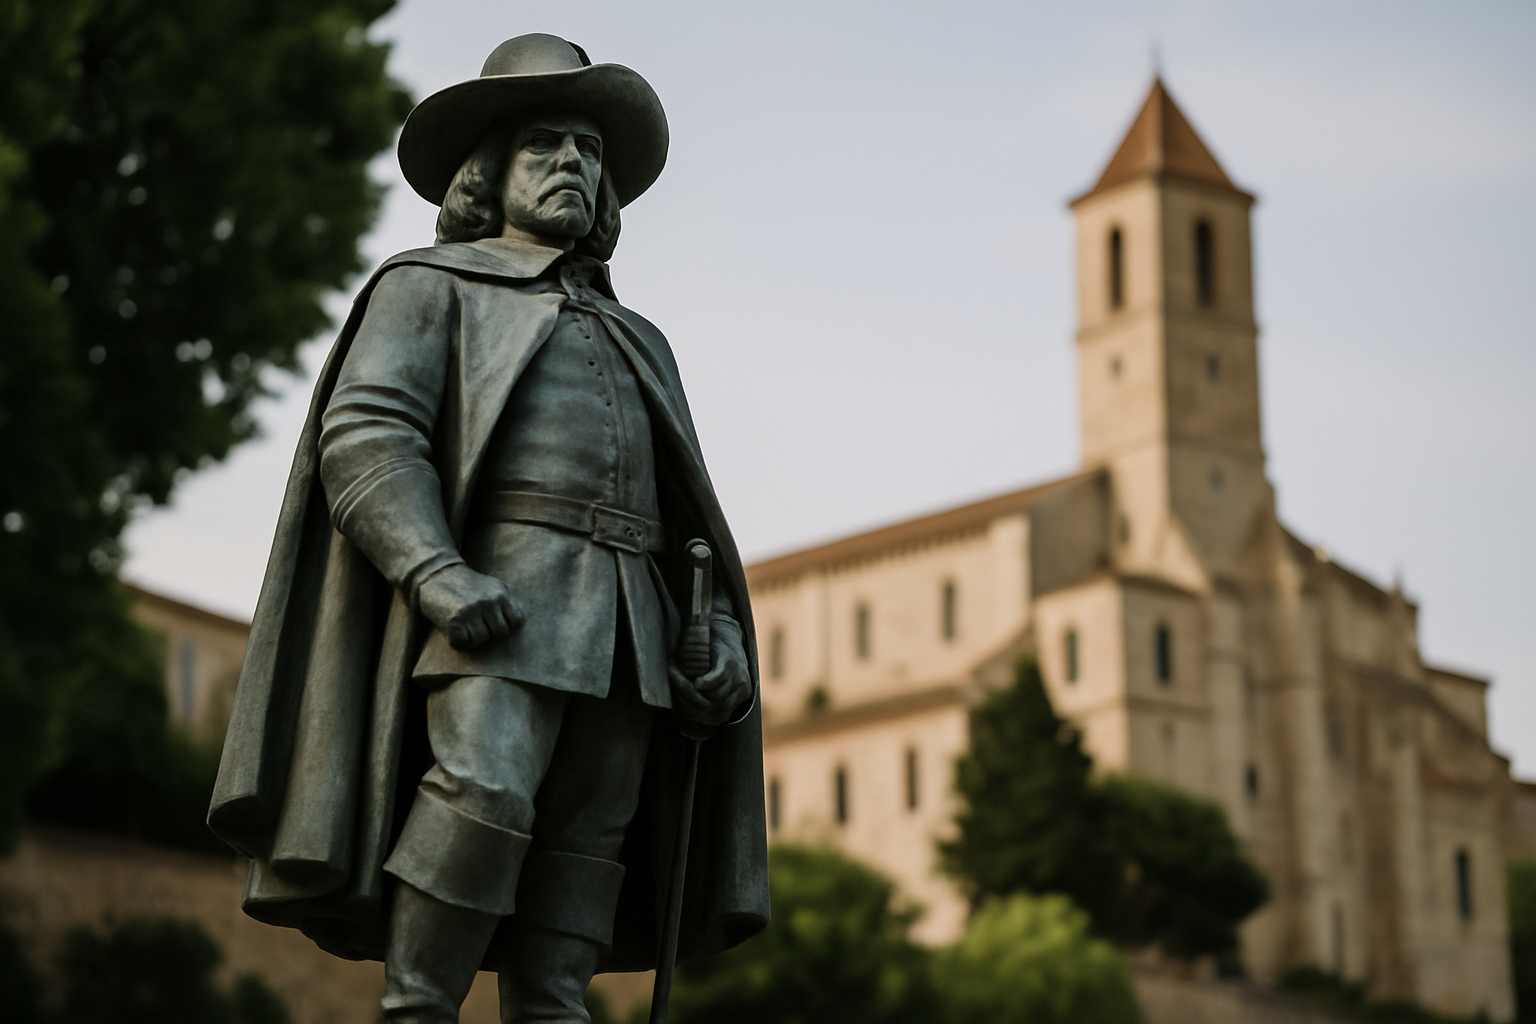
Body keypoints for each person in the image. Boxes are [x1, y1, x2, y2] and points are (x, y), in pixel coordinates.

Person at [208, 34, 769, 1024]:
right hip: (495, 602)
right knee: (484, 794)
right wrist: (434, 570)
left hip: (632, 632)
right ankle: (419, 1007)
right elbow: (369, 435)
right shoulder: (426, 285)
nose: (572, 164)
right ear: (490, 171)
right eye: (545, 143)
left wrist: (715, 632)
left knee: (586, 847)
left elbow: (694, 519)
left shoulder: (645, 340)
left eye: (589, 151)